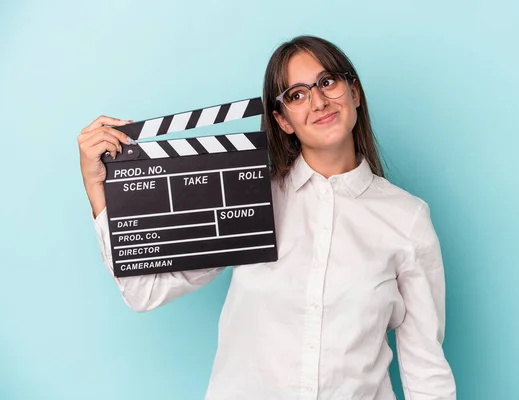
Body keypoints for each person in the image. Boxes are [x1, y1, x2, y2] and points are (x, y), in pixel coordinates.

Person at [78, 35, 456, 400]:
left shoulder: (406, 218)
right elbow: (145, 292)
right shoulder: (249, 197)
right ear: (283, 120)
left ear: (353, 92)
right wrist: (99, 191)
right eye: (297, 94)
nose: (319, 101)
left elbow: (425, 367)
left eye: (328, 82)